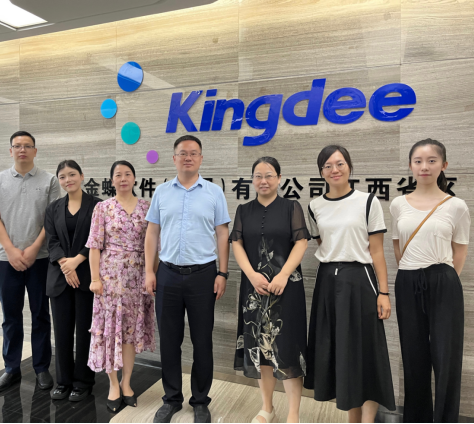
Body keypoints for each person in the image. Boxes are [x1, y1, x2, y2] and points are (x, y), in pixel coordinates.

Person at [304, 145, 396, 423]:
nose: (334, 170)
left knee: (364, 352)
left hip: (360, 281)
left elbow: (376, 251)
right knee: (340, 352)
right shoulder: (314, 206)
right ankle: (351, 417)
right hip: (327, 283)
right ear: (321, 172)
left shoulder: (368, 201)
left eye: (340, 163)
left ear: (349, 167)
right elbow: (323, 243)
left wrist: (384, 292)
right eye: (328, 166)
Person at [145, 135, 231, 424]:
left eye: (193, 153)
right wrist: (149, 271)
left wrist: (222, 272)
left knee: (202, 341)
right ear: (174, 158)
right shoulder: (161, 192)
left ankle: (200, 401)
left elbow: (222, 233)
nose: (188, 158)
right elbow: (152, 233)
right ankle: (171, 399)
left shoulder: (214, 192)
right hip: (167, 274)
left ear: (201, 159)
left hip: (203, 276)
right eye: (183, 153)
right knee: (169, 341)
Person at [391, 139, 470, 423]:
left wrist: (442, 280)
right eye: (418, 161)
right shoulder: (398, 204)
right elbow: (398, 246)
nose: (424, 166)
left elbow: (459, 252)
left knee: (446, 356)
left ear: (443, 165)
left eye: (432, 160)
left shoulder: (456, 206)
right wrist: (412, 273)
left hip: (443, 281)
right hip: (407, 279)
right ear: (410, 166)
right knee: (413, 356)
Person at [230, 157, 309, 424]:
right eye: (258, 176)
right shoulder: (243, 210)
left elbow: (301, 242)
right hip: (254, 290)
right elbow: (237, 244)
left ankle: (293, 414)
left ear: (279, 178)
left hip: (286, 289)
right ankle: (267, 408)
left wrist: (283, 275)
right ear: (252, 179)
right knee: (260, 348)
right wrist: (252, 275)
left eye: (269, 175)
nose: (263, 181)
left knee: (287, 349)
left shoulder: (291, 207)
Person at [0, 131, 59, 393]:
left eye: (27, 146)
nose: (22, 150)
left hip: (40, 259)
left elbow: (52, 219)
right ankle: (11, 368)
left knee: (40, 314)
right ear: (10, 151)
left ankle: (41, 368)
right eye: (17, 146)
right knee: (11, 316)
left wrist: (33, 248)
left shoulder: (50, 180)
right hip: (7, 259)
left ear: (35, 151)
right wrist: (11, 250)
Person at [87, 160, 156, 412]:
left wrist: (152, 274)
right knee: (110, 331)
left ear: (135, 179)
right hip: (110, 280)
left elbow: (153, 246)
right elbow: (94, 246)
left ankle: (127, 383)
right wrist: (95, 279)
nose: (123, 178)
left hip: (137, 279)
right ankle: (113, 385)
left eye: (128, 174)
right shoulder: (103, 208)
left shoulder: (147, 207)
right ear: (112, 180)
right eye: (118, 175)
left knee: (129, 332)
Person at [44, 160, 102, 402]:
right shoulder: (53, 208)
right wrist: (65, 266)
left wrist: (77, 261)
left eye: (72, 174)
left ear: (82, 176)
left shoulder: (97, 205)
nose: (68, 180)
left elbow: (99, 239)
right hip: (60, 277)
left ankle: (83, 382)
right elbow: (51, 240)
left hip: (87, 276)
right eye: (62, 176)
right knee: (62, 332)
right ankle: (63, 381)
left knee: (86, 332)